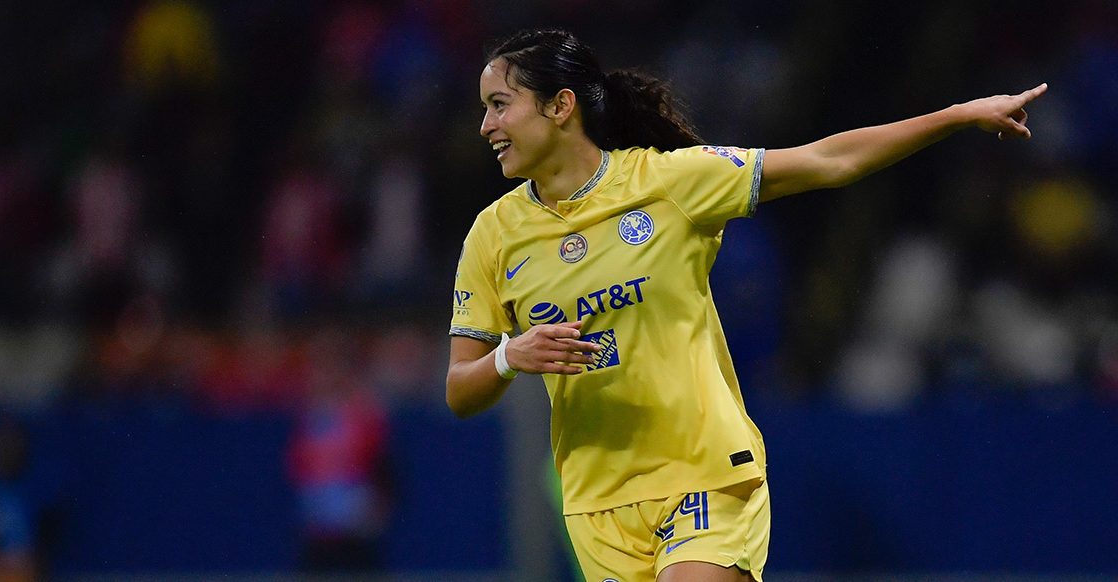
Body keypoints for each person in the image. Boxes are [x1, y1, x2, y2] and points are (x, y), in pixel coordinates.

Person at [446, 28, 1045, 582]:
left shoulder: (668, 182)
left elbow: (827, 160)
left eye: (500, 104)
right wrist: (509, 357)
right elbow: (460, 389)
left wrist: (957, 116)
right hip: (597, 502)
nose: (485, 126)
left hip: (704, 472)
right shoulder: (493, 236)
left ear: (559, 106)